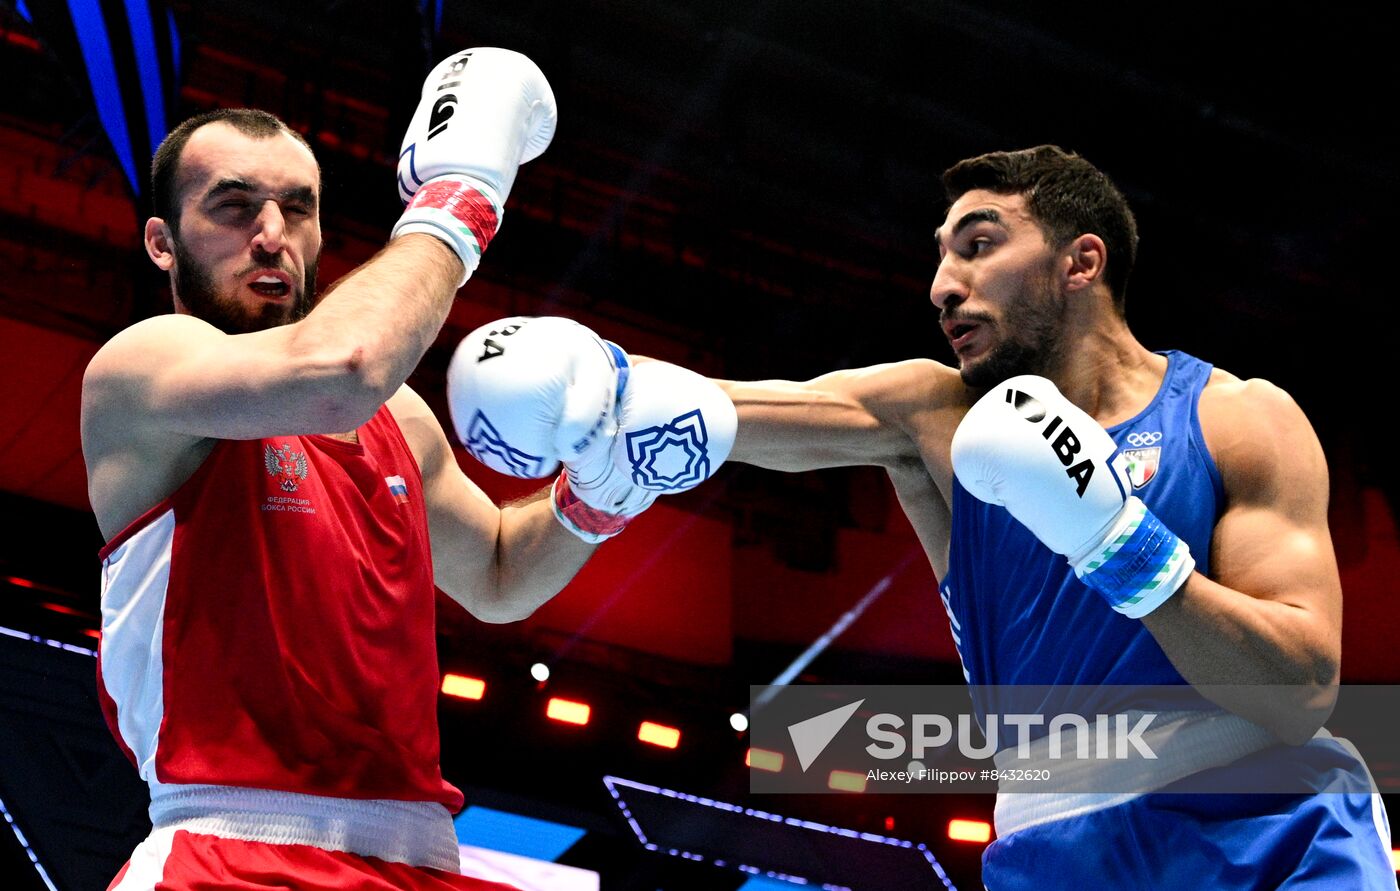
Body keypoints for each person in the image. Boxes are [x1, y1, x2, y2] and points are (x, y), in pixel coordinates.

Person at [82, 48, 733, 889]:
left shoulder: (397, 416)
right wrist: (457, 202)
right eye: (235, 207)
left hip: (419, 857)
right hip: (232, 849)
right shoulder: (145, 368)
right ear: (162, 244)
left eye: (297, 208)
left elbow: (499, 573)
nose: (272, 234)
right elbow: (341, 368)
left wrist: (604, 488)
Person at [710, 146, 1396, 888]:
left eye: (978, 245)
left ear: (1082, 262)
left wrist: (1116, 544)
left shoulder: (1235, 418)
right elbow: (713, 410)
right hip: (1056, 853)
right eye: (941, 256)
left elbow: (1300, 693)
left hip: (1271, 827)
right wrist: (595, 381)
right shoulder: (934, 419)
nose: (942, 286)